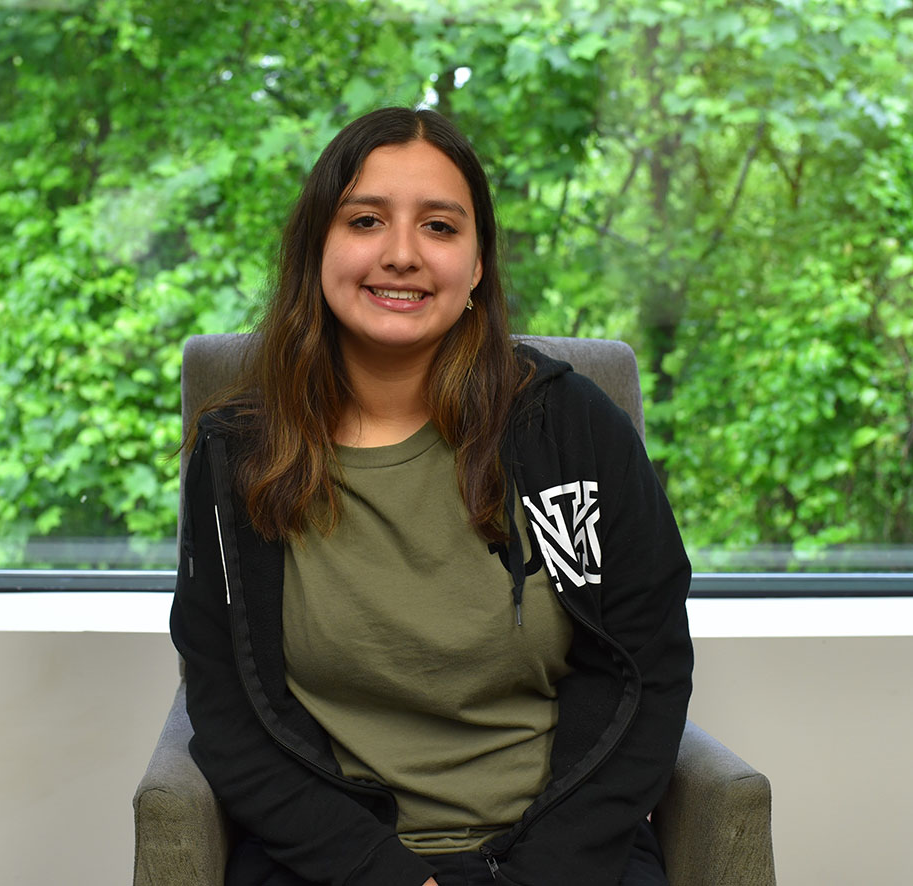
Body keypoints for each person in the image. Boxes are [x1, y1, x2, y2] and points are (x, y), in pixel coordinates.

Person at [170, 106, 693, 886]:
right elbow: (230, 717)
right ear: (317, 246)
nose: (401, 254)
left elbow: (646, 673)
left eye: (440, 227)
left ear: (477, 264)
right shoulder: (237, 456)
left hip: (562, 859)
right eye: (365, 220)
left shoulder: (571, 431)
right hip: (334, 865)